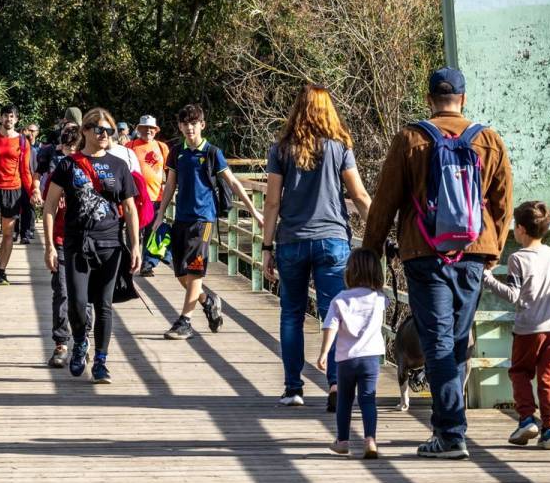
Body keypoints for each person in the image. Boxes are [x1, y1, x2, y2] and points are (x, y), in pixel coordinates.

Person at [364, 67, 513, 460]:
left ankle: (449, 433)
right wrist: (492, 251)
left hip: (423, 253)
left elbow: (384, 202)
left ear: (429, 99)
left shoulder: (410, 138)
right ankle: (452, 428)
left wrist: (371, 251)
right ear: (463, 99)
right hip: (473, 254)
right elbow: (503, 205)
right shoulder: (489, 140)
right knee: (457, 341)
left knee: (438, 342)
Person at [260, 85, 372, 409]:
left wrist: (266, 247)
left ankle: (293, 389)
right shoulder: (340, 147)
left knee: (291, 315)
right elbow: (359, 195)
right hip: (332, 241)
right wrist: (378, 236)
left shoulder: (281, 150)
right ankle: (336, 383)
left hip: (292, 241)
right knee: (334, 313)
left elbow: (272, 202)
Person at [42, 108, 141, 383]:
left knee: (104, 305)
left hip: (110, 244)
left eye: (109, 131)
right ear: (85, 130)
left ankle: (100, 361)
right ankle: (79, 341)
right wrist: (49, 246)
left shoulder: (119, 165)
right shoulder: (68, 165)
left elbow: (130, 208)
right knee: (77, 302)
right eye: (99, 129)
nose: (105, 135)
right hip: (76, 243)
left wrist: (135, 245)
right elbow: (49, 206)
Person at [151, 104, 263, 340]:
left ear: (202, 125)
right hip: (181, 218)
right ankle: (208, 301)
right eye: (185, 124)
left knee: (195, 270)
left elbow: (233, 182)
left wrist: (254, 211)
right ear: (180, 126)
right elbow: (170, 184)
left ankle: (185, 322)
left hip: (204, 219)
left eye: (194, 123)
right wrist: (160, 214)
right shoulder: (177, 152)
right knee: (181, 273)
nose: (189, 128)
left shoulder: (212, 152)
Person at [481, 201, 550, 451]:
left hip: (528, 329)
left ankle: (526, 419)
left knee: (520, 373)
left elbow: (513, 295)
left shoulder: (518, 258)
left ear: (521, 229)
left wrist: (487, 278)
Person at [316, 248, 386, 460]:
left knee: (345, 400)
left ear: (349, 272)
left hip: (346, 359)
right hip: (371, 358)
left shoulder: (340, 299)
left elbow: (331, 327)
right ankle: (370, 440)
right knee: (368, 399)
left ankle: (343, 441)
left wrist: (324, 353)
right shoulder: (379, 298)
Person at [0, 104, 42, 285]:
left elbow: (25, 170)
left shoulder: (23, 142)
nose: (8, 119)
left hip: (13, 190)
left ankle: (2, 271)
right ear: (0, 118)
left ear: (16, 120)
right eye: (5, 116)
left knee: (8, 233)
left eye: (12, 116)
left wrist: (33, 191)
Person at [41, 123, 81, 368]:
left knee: (85, 296)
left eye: (75, 147)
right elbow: (48, 210)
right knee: (63, 292)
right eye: (67, 147)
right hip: (61, 240)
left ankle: (83, 340)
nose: (71, 151)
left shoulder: (92, 172)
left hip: (86, 242)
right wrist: (49, 246)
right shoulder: (58, 174)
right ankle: (61, 342)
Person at [127, 114, 171, 276]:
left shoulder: (162, 147)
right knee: (133, 231)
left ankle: (147, 265)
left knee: (152, 232)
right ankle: (130, 261)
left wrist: (171, 190)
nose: (148, 131)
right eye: (145, 128)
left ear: (156, 130)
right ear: (139, 129)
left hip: (155, 197)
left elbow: (170, 171)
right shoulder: (130, 146)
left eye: (151, 128)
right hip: (135, 197)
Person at [17, 122, 42, 244]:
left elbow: (35, 168)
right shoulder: (16, 148)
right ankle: (15, 231)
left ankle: (26, 233)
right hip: (15, 180)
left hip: (29, 181)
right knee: (15, 208)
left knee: (27, 208)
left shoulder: (34, 150)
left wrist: (35, 185)